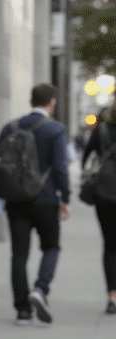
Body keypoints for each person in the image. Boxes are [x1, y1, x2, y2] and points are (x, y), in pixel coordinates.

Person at [0, 83, 71, 325]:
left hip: (16, 202)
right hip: (46, 200)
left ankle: (23, 311)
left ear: (30, 102)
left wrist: (5, 191)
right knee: (51, 247)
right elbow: (60, 168)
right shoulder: (56, 129)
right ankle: (40, 288)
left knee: (19, 254)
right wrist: (66, 198)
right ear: (52, 104)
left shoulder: (10, 127)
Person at [81, 101, 116, 314]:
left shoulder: (101, 131)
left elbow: (86, 157)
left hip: (104, 195)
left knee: (110, 245)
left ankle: (112, 295)